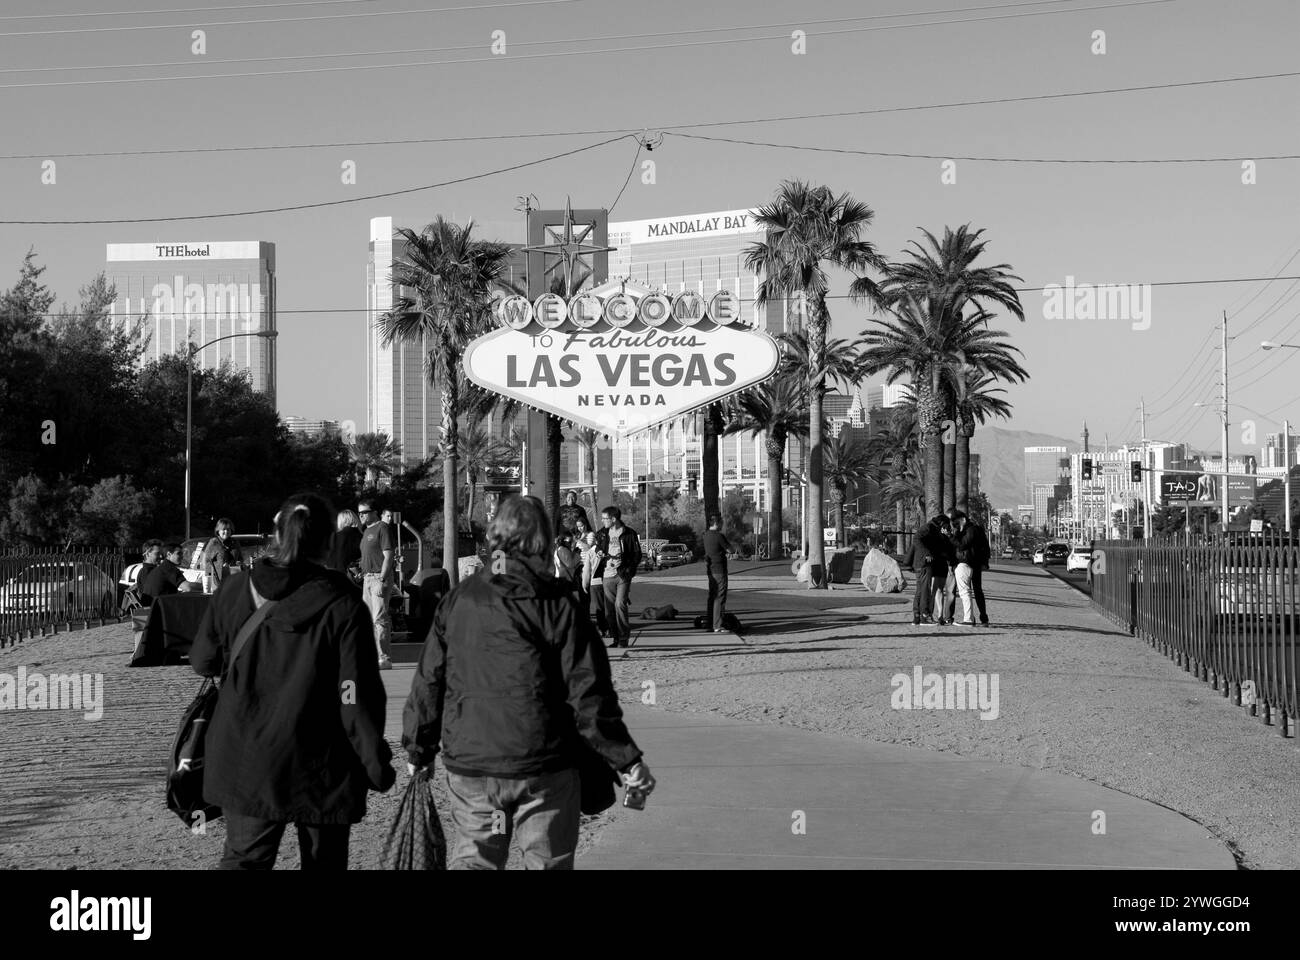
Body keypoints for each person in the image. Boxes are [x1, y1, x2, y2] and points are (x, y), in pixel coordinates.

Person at [402, 495, 654, 870]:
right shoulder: (559, 607)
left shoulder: (459, 601)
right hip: (544, 762)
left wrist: (418, 749)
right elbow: (589, 695)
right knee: (546, 861)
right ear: (544, 542)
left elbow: (429, 682)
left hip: (473, 761)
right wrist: (626, 760)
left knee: (474, 860)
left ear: (495, 537)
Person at [190, 492, 395, 870]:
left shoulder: (236, 589)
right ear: (328, 541)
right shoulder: (343, 603)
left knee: (244, 860)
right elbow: (354, 695)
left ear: (277, 533)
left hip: (246, 752)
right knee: (324, 862)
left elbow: (202, 660)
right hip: (321, 761)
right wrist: (374, 760)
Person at [592, 505, 642, 649]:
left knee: (620, 604)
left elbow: (636, 554)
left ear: (613, 519)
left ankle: (624, 639)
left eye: (605, 518)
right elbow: (598, 547)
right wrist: (600, 551)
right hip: (607, 575)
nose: (603, 521)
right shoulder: (602, 533)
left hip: (622, 575)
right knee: (609, 610)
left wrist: (629, 570)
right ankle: (615, 638)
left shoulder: (629, 533)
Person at [357, 499, 395, 671]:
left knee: (379, 618)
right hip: (367, 578)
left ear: (374, 512)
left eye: (364, 512)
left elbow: (389, 556)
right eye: (359, 513)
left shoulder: (382, 528)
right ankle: (373, 655)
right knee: (369, 619)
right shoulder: (366, 531)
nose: (361, 516)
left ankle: (383, 658)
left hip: (379, 577)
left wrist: (382, 579)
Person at [702, 514, 732, 633]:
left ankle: (711, 623)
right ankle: (717, 625)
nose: (722, 525)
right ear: (717, 523)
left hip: (711, 570)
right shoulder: (719, 536)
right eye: (721, 523)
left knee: (712, 597)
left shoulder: (706, 536)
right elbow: (730, 549)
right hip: (720, 569)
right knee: (720, 597)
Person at [201, 519, 244, 593]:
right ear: (218, 531)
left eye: (228, 529)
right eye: (223, 529)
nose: (226, 532)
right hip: (217, 581)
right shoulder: (213, 542)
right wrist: (220, 566)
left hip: (233, 579)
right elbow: (206, 563)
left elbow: (240, 559)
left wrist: (238, 563)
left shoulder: (235, 542)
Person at [328, 509, 364, 585]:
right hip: (354, 581)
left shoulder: (332, 537)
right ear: (355, 519)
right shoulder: (361, 537)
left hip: (332, 579)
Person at [572, 515, 596, 616]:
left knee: (585, 589)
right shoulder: (579, 535)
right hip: (578, 564)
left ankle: (586, 613)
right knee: (580, 591)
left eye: (581, 526)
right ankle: (583, 612)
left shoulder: (590, 535)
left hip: (586, 565)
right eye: (578, 526)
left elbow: (589, 547)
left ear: (586, 525)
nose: (580, 528)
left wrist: (579, 541)